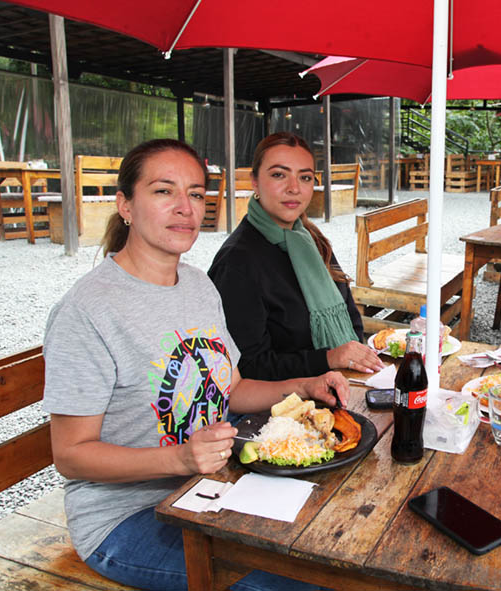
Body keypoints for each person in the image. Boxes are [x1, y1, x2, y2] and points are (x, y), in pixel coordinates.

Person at [43, 138, 348, 591]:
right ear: (125, 205)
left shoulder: (198, 286)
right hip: (127, 518)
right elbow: (70, 455)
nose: (186, 208)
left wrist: (303, 385)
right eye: (164, 191)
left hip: (212, 485)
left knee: (336, 547)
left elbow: (233, 389)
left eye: (197, 194)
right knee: (299, 584)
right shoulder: (88, 310)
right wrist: (180, 457)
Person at [208, 132, 383, 381]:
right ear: (255, 182)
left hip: (343, 382)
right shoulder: (237, 262)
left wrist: (352, 358)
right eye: (279, 175)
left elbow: (350, 315)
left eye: (305, 177)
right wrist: (328, 358)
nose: (294, 188)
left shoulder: (311, 240)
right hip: (284, 401)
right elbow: (248, 367)